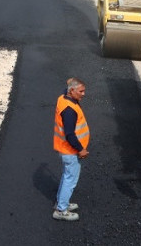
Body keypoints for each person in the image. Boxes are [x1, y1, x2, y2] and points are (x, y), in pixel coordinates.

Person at [53, 78, 90, 221]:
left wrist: (69, 81)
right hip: (70, 150)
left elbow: (65, 89)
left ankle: (62, 202)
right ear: (72, 91)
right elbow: (69, 134)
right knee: (70, 179)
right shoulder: (69, 111)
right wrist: (81, 149)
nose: (84, 94)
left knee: (66, 176)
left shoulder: (63, 98)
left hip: (65, 149)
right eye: (81, 91)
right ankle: (61, 210)